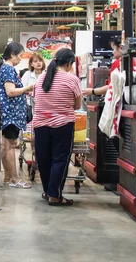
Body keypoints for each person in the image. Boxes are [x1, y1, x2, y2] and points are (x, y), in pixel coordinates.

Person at [32, 48, 82, 206]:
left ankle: (48, 192)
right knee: (60, 159)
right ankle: (54, 195)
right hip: (62, 125)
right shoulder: (72, 79)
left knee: (44, 160)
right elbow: (77, 105)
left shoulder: (41, 79)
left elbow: (37, 100)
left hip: (40, 125)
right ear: (69, 64)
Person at [0, 42, 33, 189]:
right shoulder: (8, 69)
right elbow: (10, 91)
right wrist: (27, 88)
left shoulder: (6, 69)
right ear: (12, 55)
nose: (21, 58)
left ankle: (7, 177)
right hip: (11, 113)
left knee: (6, 146)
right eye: (20, 55)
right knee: (10, 146)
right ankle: (15, 178)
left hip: (9, 113)